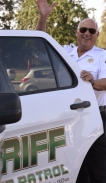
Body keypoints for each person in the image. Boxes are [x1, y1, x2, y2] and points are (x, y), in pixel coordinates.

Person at [36, 0, 106, 182]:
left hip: (96, 117)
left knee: (97, 167)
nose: (87, 34)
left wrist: (93, 81)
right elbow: (39, 45)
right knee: (72, 166)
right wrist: (43, 17)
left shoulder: (102, 55)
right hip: (68, 117)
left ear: (97, 35)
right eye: (83, 30)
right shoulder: (66, 51)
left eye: (91, 31)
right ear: (77, 32)